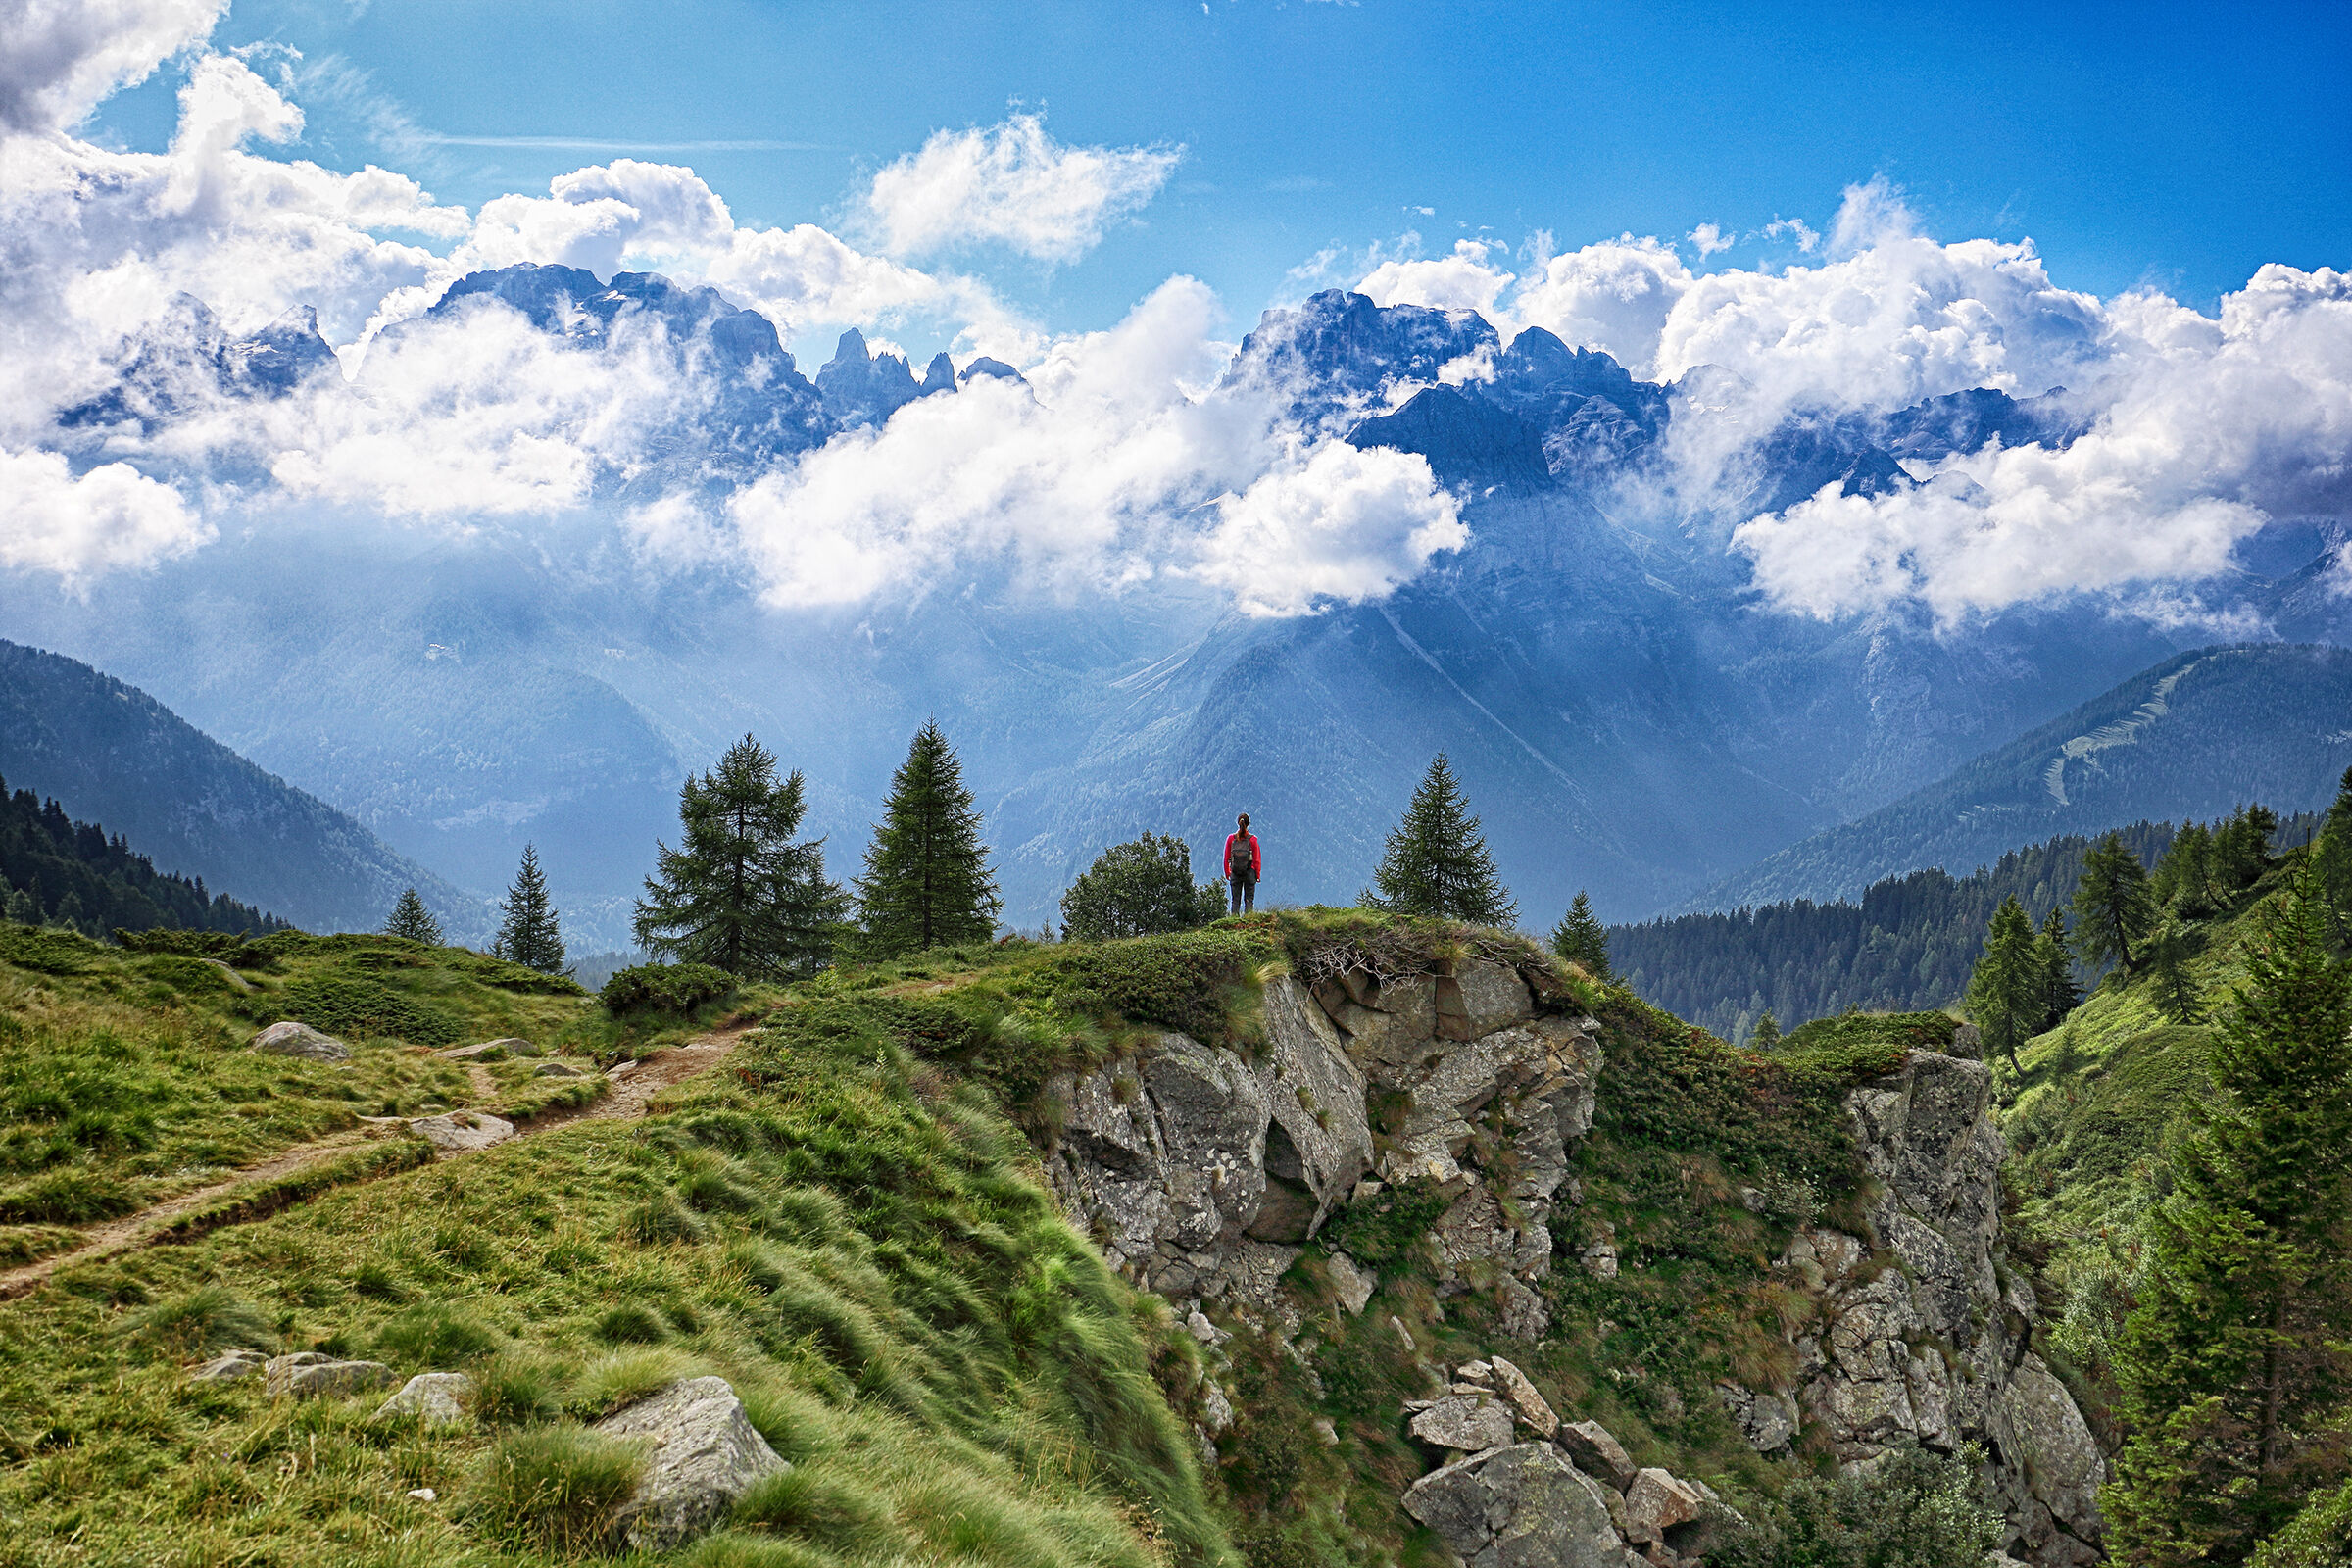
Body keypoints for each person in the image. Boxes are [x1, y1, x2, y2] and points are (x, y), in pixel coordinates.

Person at [1224, 812, 1260, 915]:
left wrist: (1228, 872)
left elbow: (1227, 858)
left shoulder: (1231, 839)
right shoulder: (1253, 840)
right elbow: (1257, 860)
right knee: (1249, 900)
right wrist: (1257, 875)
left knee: (1235, 900)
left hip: (1235, 872)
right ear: (1248, 824)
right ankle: (1249, 922)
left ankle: (1234, 923)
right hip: (1250, 872)